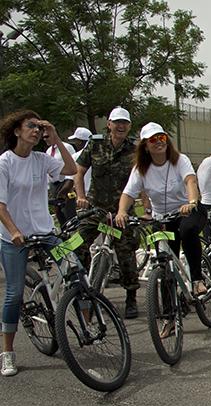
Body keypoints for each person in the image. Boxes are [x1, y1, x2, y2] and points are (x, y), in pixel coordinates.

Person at [0, 110, 77, 376]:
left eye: (39, 127)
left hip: (45, 232)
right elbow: (0, 205)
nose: (36, 130)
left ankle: (88, 322)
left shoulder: (42, 159)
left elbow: (71, 170)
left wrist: (55, 139)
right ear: (16, 131)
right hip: (13, 236)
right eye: (30, 126)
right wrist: (13, 231)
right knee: (14, 293)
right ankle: (7, 352)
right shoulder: (4, 163)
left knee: (75, 268)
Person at [115, 122, 206, 337]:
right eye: (153, 140)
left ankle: (197, 279)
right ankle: (169, 318)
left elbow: (190, 181)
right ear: (145, 146)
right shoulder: (141, 169)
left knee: (187, 231)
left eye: (162, 138)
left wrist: (191, 202)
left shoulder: (179, 160)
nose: (159, 142)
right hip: (162, 218)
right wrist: (121, 211)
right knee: (164, 266)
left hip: (187, 210)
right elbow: (128, 193)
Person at [74, 106, 141, 319]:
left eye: (125, 123)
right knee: (75, 245)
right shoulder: (95, 144)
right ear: (109, 124)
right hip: (95, 208)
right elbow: (79, 171)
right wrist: (81, 196)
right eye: (117, 122)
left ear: (129, 126)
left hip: (122, 212)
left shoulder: (135, 149)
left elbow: (143, 178)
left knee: (126, 253)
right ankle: (79, 287)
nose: (121, 126)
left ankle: (131, 297)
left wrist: (147, 207)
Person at [43, 126, 77, 225]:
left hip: (65, 184)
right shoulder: (49, 151)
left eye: (47, 136)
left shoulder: (66, 147)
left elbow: (73, 165)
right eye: (43, 137)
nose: (45, 139)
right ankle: (64, 232)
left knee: (69, 212)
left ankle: (74, 233)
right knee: (59, 214)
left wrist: (69, 185)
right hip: (54, 185)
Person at [68, 127, 92, 194]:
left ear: (80, 142)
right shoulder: (99, 154)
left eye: (75, 140)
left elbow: (70, 180)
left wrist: (61, 193)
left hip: (81, 194)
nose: (75, 143)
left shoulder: (75, 156)